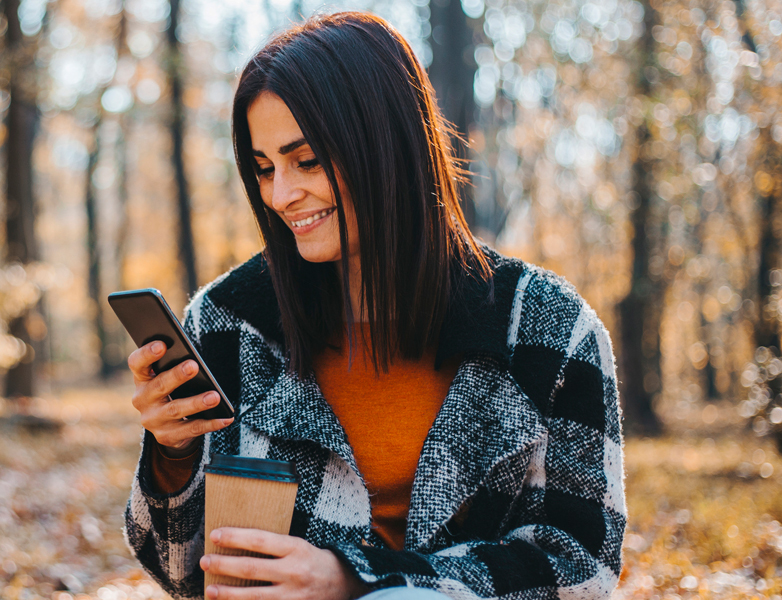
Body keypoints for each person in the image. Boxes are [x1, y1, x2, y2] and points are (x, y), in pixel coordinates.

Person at [124, 11, 625, 600]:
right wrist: (172, 455)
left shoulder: (549, 328)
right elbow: (184, 576)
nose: (282, 195)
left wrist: (358, 581)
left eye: (306, 160)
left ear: (386, 143)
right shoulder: (231, 321)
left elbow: (583, 566)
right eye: (264, 169)